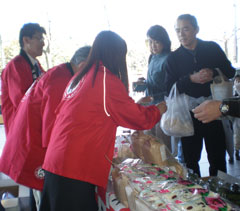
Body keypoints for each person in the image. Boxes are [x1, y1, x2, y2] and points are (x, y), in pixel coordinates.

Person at [39, 30, 166, 211]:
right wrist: (158, 110)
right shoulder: (105, 78)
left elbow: (97, 112)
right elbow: (140, 119)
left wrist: (135, 105)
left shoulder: (80, 76)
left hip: (56, 162)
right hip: (76, 168)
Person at [0, 46, 91, 211]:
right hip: (31, 146)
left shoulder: (63, 73)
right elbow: (53, 129)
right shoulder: (60, 81)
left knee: (40, 199)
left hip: (29, 140)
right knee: (43, 200)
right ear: (84, 64)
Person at [163, 14, 236, 177]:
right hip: (189, 115)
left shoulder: (212, 48)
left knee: (218, 158)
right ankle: (194, 196)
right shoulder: (173, 59)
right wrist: (190, 79)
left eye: (186, 29)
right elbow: (168, 89)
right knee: (190, 160)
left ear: (196, 29)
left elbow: (230, 72)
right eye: (178, 30)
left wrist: (215, 73)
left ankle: (220, 196)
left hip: (214, 112)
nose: (181, 34)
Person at [1, 23, 46, 135]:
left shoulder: (36, 65)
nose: (43, 43)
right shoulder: (15, 66)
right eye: (39, 38)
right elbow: (22, 100)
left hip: (31, 129)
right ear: (26, 40)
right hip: (21, 133)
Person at [134, 25, 172, 151]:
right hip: (150, 104)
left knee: (162, 144)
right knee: (150, 142)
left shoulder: (169, 58)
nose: (153, 45)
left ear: (164, 42)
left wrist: (150, 85)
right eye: (150, 42)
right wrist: (144, 82)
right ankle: (154, 169)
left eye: (156, 42)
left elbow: (169, 85)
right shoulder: (152, 57)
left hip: (163, 105)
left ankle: (168, 169)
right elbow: (154, 78)